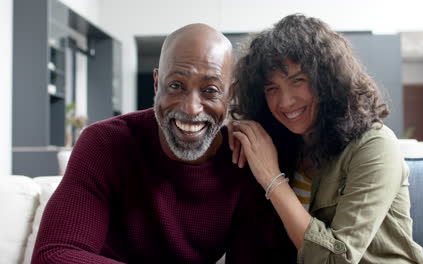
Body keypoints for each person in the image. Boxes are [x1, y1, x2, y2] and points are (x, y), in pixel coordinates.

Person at [32, 23, 295, 264]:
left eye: (210, 90)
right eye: (176, 85)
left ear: (231, 94)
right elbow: (54, 255)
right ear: (157, 83)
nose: (191, 108)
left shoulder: (244, 160)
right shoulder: (105, 143)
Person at [229, 14, 423, 263]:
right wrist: (231, 132)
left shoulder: (375, 145)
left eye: (298, 81)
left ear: (326, 80)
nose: (285, 101)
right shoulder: (285, 143)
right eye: (271, 88)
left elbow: (338, 259)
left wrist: (272, 179)